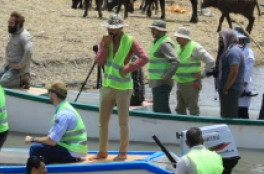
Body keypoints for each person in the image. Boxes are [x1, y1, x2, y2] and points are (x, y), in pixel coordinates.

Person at [93, 14, 148, 160]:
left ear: (121, 28)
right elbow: (99, 61)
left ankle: (123, 153)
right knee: (102, 122)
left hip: (123, 88)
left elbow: (145, 58)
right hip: (107, 86)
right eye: (109, 27)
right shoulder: (105, 40)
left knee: (123, 122)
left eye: (114, 28)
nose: (111, 30)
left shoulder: (130, 41)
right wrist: (104, 46)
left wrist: (129, 67)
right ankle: (102, 151)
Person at [24, 82, 87, 164]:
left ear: (53, 95)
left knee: (34, 148)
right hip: (75, 151)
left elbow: (52, 141)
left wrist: (32, 139)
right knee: (43, 157)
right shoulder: (66, 107)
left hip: (72, 153)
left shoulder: (63, 114)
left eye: (49, 93)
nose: (48, 95)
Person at [173, 27, 215, 116]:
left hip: (191, 84)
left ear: (185, 38)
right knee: (180, 109)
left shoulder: (195, 47)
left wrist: (203, 74)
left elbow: (210, 61)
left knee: (193, 109)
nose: (176, 39)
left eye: (179, 37)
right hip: (180, 82)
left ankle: (195, 128)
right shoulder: (179, 47)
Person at [0, 11, 33, 88]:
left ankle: (23, 79)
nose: (8, 25)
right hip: (9, 65)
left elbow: (29, 51)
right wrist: (6, 60)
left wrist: (21, 65)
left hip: (19, 69)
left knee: (3, 83)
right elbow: (8, 48)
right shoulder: (12, 34)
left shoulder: (24, 36)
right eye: (8, 22)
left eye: (11, 23)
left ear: (18, 24)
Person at [146, 19, 179, 113]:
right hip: (157, 82)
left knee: (160, 110)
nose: (152, 32)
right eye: (152, 29)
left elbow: (176, 61)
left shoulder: (164, 43)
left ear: (162, 31)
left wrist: (167, 76)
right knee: (161, 109)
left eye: (155, 30)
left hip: (162, 83)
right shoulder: (158, 42)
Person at [216, 29, 244, 119]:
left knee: (228, 118)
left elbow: (234, 71)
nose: (220, 40)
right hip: (229, 90)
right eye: (219, 38)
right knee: (226, 115)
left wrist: (226, 88)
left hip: (230, 90)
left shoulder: (233, 51)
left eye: (222, 38)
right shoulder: (228, 50)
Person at [235, 27, 257, 119]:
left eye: (238, 38)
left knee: (242, 112)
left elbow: (248, 71)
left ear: (243, 39)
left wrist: (243, 86)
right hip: (234, 85)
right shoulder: (232, 50)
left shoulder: (248, 52)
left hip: (243, 86)